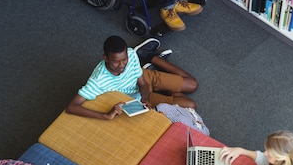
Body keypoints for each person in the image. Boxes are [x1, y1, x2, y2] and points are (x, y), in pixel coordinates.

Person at [66, 36, 198, 119]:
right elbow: (72, 107)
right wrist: (105, 115)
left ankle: (149, 55)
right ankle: (165, 84)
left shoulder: (131, 54)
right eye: (116, 62)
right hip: (135, 99)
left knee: (192, 84)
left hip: (144, 80)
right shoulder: (98, 81)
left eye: (124, 60)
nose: (121, 65)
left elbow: (143, 84)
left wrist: (146, 97)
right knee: (190, 105)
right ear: (105, 58)